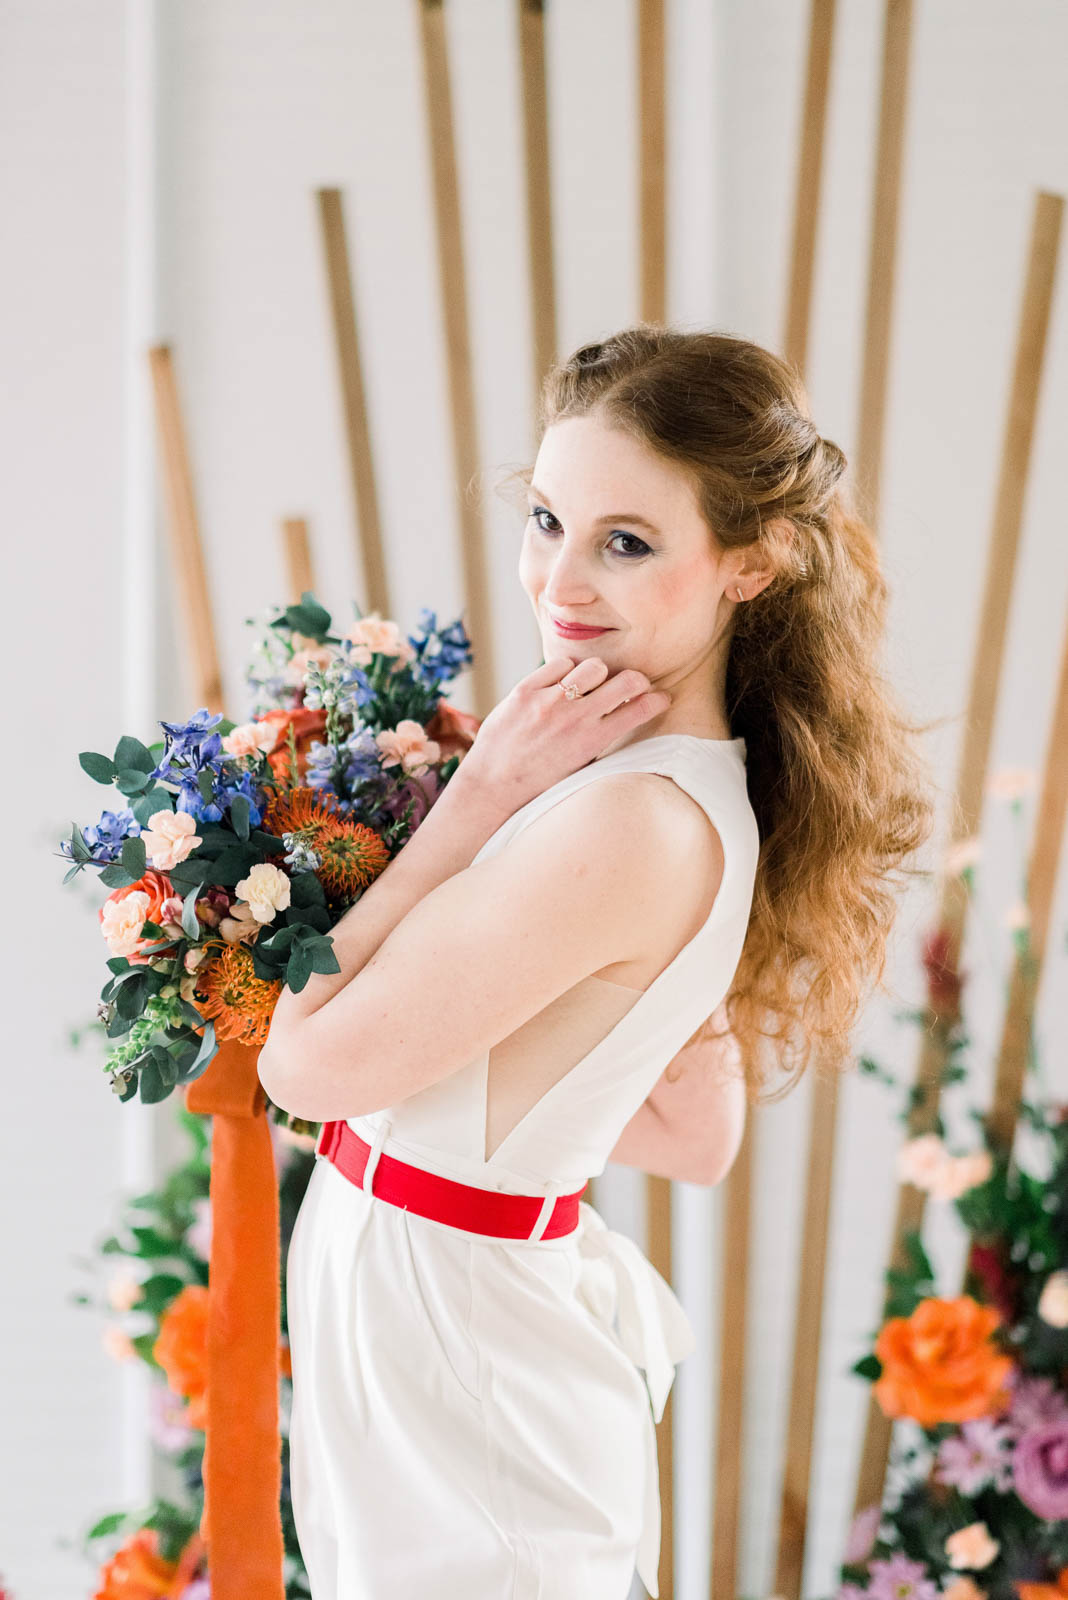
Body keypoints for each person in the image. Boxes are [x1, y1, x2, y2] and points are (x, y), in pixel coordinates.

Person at [258, 324, 935, 1598]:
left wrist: (466, 807)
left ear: (753, 562)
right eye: (549, 519)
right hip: (443, 1309)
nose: (562, 580)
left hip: (457, 1339)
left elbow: (305, 1069)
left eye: (626, 541)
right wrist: (489, 1107)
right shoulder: (648, 781)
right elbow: (694, 1133)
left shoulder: (628, 818)